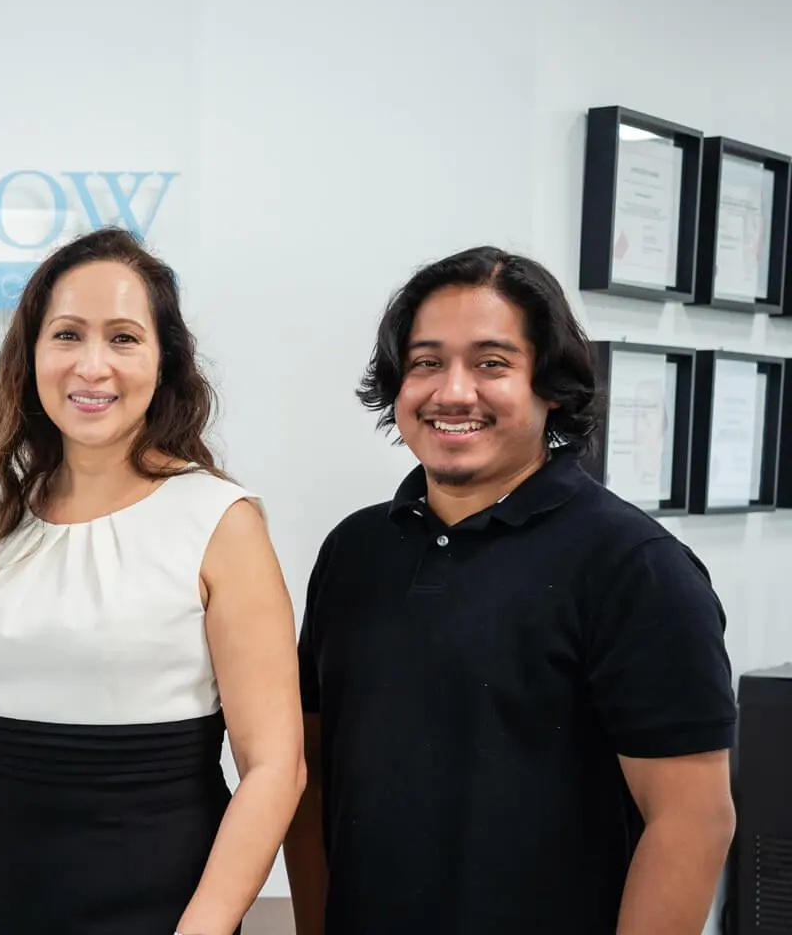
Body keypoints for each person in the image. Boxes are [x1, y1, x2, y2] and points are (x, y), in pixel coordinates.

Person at [283, 246, 738, 934]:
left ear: (549, 384)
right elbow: (310, 775)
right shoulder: (354, 552)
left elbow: (692, 823)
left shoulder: (635, 568)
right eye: (427, 362)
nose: (453, 392)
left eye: (492, 363)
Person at [0, 227, 305, 935]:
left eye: (124, 338)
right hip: (8, 903)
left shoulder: (219, 521)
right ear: (32, 356)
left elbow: (274, 767)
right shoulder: (6, 525)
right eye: (67, 335)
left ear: (165, 362)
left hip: (163, 910)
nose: (92, 365)